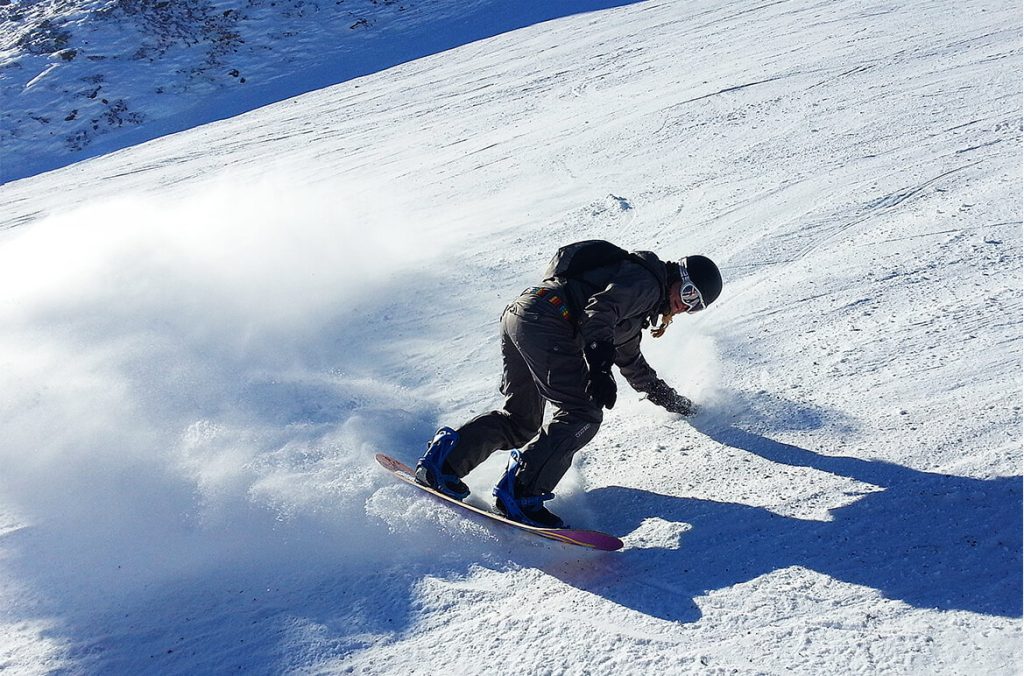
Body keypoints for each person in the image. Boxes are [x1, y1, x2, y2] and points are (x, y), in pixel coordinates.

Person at [414, 240, 723, 528]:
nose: (685, 306)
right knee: (583, 415)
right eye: (688, 294)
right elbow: (600, 311)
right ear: (677, 276)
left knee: (521, 420)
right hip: (549, 319)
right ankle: (521, 493)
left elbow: (633, 366)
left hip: (524, 314)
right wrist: (599, 365)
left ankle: (444, 464)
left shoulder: (636, 306)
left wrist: (674, 402)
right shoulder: (646, 283)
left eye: (695, 305)